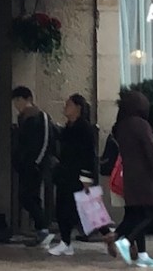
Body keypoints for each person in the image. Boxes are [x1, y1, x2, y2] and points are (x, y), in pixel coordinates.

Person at [104, 91, 153, 269]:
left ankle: (141, 254)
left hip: (129, 176)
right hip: (145, 176)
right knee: (150, 213)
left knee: (134, 214)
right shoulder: (142, 125)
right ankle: (125, 241)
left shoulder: (122, 126)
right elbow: (151, 152)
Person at [47, 94, 98, 258]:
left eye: (68, 105)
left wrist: (86, 178)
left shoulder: (84, 129)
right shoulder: (69, 128)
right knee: (63, 209)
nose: (65, 107)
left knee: (82, 210)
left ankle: (111, 235)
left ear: (78, 108)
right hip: (65, 175)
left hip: (77, 176)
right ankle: (66, 242)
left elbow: (88, 156)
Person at [10, 86, 53, 248]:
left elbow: (45, 141)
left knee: (28, 196)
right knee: (29, 197)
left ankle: (43, 228)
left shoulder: (39, 117)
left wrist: (36, 162)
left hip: (34, 165)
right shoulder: (24, 118)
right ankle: (41, 229)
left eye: (18, 100)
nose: (16, 104)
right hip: (26, 164)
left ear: (27, 99)